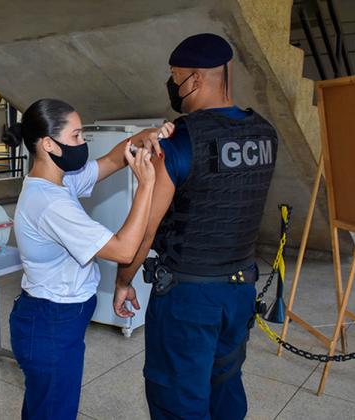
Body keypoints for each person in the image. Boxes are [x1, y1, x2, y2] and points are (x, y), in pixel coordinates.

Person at [114, 33, 279, 420]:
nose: (173, 85)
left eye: (175, 76)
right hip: (239, 292)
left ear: (196, 79)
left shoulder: (179, 143)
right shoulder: (266, 134)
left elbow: (144, 232)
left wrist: (123, 282)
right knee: (224, 385)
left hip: (188, 299)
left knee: (178, 400)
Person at [7, 98, 173, 420]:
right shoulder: (51, 204)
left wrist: (147, 135)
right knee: (54, 410)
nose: (82, 144)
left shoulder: (60, 180)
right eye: (77, 137)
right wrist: (146, 187)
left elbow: (114, 159)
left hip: (58, 317)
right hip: (51, 321)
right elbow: (124, 250)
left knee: (46, 406)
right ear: (48, 144)